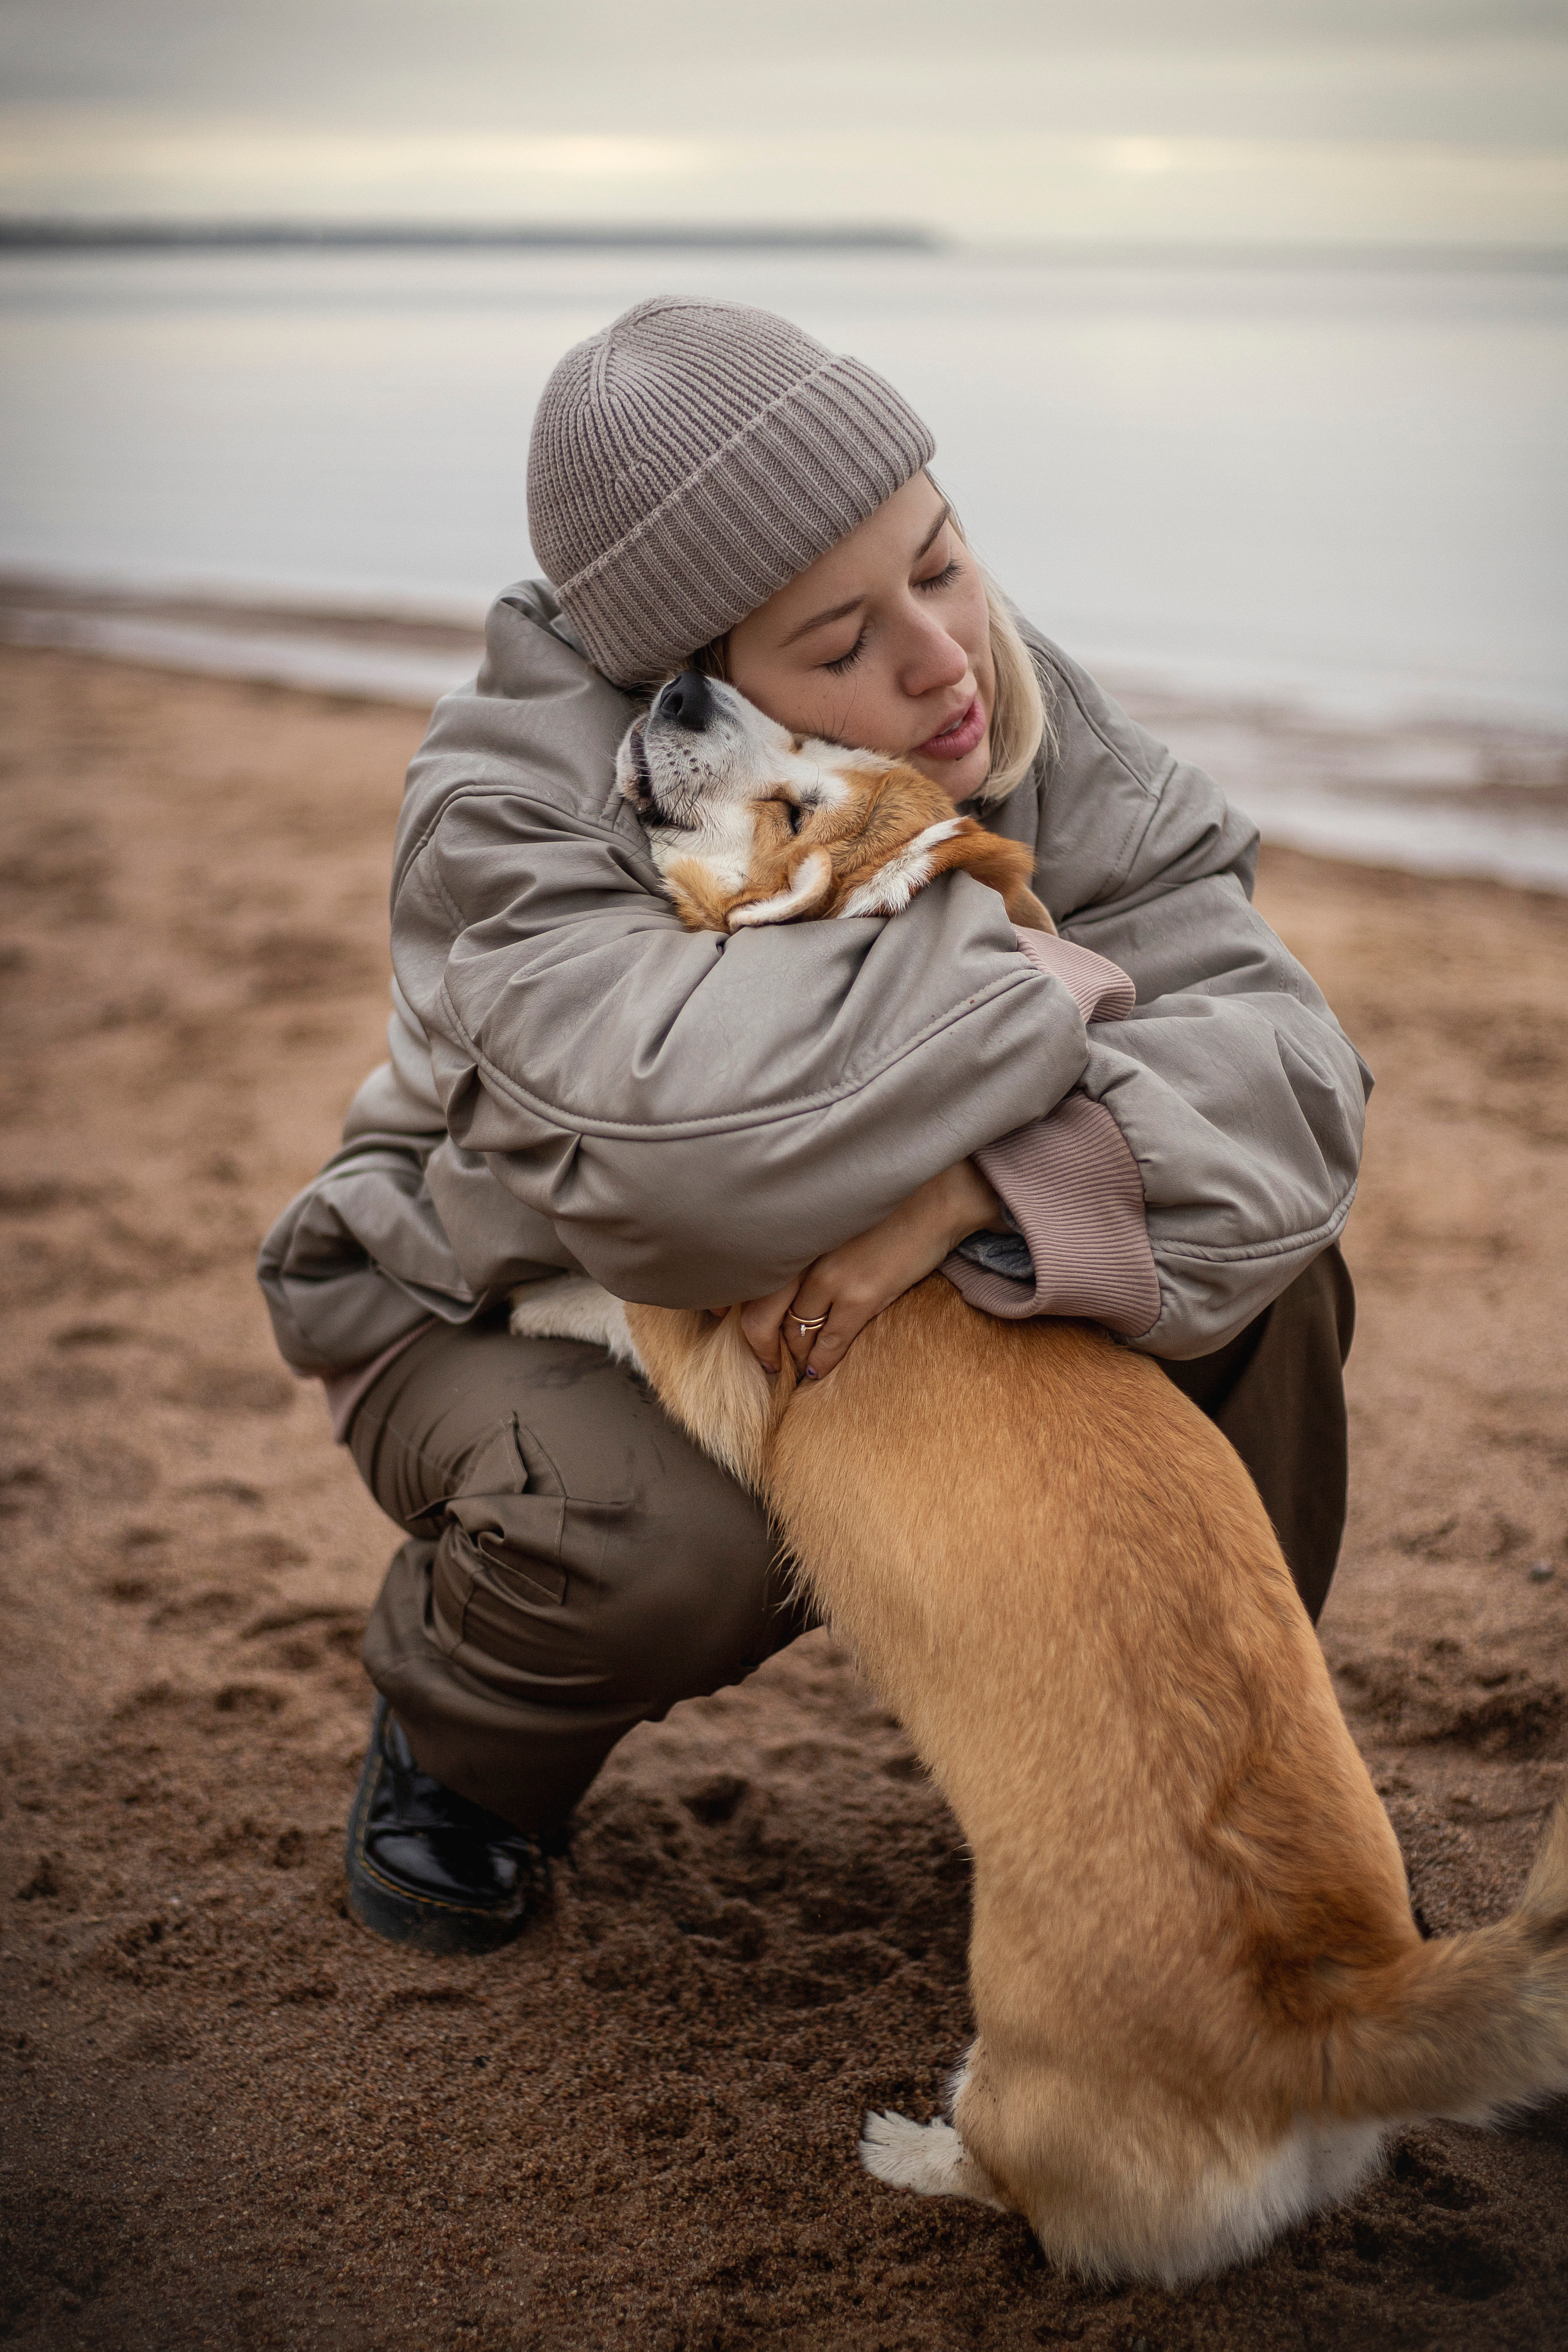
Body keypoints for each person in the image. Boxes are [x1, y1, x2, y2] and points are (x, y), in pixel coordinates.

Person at [258, 297, 1368, 1955]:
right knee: (670, 1539)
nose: (940, 658)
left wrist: (985, 1182)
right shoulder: (517, 800)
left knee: (1268, 1281)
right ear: (699, 688)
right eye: (840, 643)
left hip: (844, 1279)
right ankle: (462, 1738)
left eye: (940, 560)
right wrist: (1034, 979)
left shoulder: (1008, 707)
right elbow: (677, 1176)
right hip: (493, 1305)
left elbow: (1288, 1075)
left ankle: (1169, 1768)